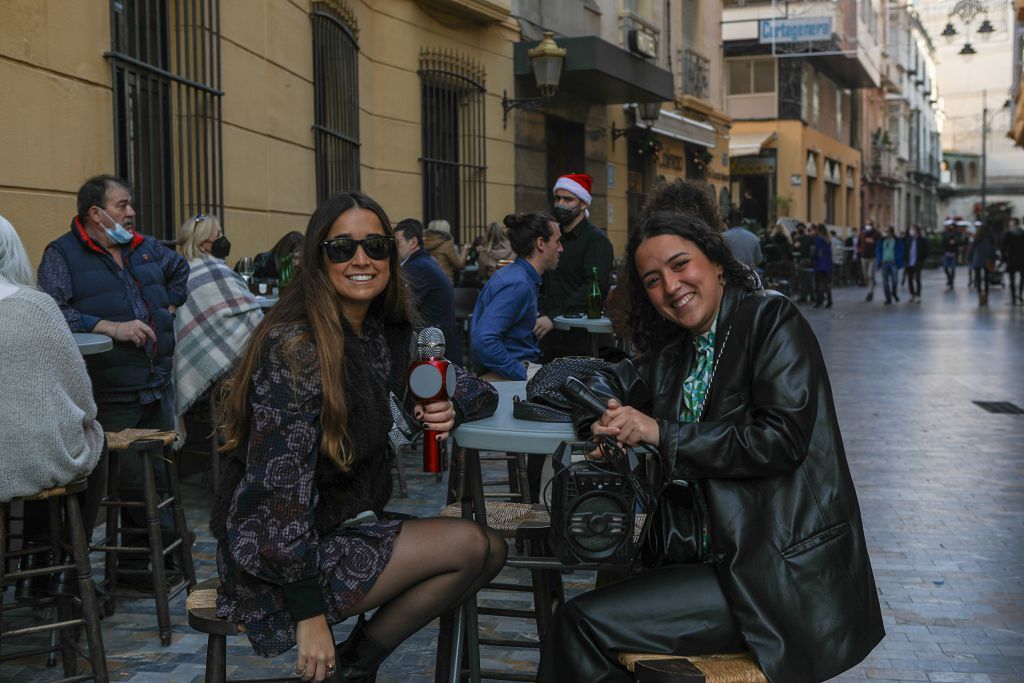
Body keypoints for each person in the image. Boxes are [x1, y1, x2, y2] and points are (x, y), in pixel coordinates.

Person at [537, 210, 884, 683]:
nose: (671, 286)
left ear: (718, 261)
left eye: (681, 265)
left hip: (773, 573)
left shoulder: (769, 317)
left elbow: (780, 440)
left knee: (579, 625)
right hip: (706, 560)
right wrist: (604, 415)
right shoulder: (679, 351)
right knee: (593, 615)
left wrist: (659, 431)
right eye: (653, 280)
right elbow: (595, 378)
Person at [210, 191, 504, 682]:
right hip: (273, 553)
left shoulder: (388, 335)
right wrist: (309, 615)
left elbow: (473, 387)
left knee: (490, 550)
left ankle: (354, 667)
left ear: (393, 254)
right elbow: (279, 494)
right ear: (318, 259)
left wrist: (447, 404)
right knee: (473, 545)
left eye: (375, 246)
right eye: (342, 248)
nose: (361, 259)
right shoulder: (298, 347)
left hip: (345, 524)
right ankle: (354, 665)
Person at [37, 175, 190, 582]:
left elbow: (180, 269)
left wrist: (169, 305)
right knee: (127, 483)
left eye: (130, 204)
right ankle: (118, 571)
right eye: (122, 205)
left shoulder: (142, 247)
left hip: (156, 379)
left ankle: (153, 565)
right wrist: (108, 326)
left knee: (156, 475)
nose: (131, 212)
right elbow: (53, 312)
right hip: (109, 385)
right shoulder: (62, 255)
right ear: (96, 214)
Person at [1, 215, 105, 599]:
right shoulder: (38, 306)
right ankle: (67, 562)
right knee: (89, 438)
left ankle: (36, 559)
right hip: (35, 463)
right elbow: (80, 396)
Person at [173, 214, 264, 437]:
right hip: (231, 376)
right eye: (219, 235)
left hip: (204, 372)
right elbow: (254, 320)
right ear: (204, 243)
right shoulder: (216, 270)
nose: (224, 239)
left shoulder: (181, 272)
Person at [471, 212, 562, 381]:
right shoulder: (518, 284)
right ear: (541, 243)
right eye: (557, 241)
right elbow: (484, 341)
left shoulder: (520, 277)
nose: (561, 248)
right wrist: (522, 374)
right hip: (509, 380)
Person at [537, 173, 615, 360]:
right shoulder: (552, 238)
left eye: (568, 199)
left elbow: (592, 287)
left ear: (584, 204)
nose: (561, 204)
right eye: (558, 198)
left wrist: (553, 316)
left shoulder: (596, 240)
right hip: (550, 337)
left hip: (584, 339)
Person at [394, 218, 461, 364]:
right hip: (438, 340)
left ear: (413, 242)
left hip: (434, 347)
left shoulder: (417, 267)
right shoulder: (421, 262)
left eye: (397, 243)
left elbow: (402, 307)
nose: (394, 248)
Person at [423, 219, 469, 284]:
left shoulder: (423, 242)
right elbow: (459, 265)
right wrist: (465, 250)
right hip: (444, 279)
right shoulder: (447, 243)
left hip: (426, 279)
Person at [971, 224, 996, 307]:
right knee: (986, 278)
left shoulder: (977, 237)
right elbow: (993, 248)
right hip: (987, 259)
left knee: (978, 279)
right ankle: (986, 296)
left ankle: (980, 296)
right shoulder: (990, 237)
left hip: (978, 258)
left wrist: (969, 257)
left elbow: (972, 247)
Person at [877, 225, 904, 305]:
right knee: (885, 282)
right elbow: (878, 251)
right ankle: (888, 298)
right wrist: (880, 259)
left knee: (895, 280)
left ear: (891, 232)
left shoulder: (897, 241)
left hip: (893, 263)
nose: (886, 233)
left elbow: (900, 251)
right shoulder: (881, 241)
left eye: (887, 231)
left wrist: (897, 259)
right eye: (885, 231)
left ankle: (894, 293)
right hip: (884, 263)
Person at [903, 225, 929, 303]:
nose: (911, 231)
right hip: (909, 262)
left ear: (917, 231)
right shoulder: (908, 240)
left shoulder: (922, 240)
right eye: (910, 229)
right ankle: (912, 294)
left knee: (917, 279)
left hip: (918, 262)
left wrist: (922, 260)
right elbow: (905, 250)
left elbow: (926, 250)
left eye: (913, 230)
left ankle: (918, 295)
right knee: (910, 279)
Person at [811, 223, 833, 308]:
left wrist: (812, 259)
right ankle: (829, 300)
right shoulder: (828, 240)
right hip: (828, 265)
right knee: (826, 283)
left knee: (819, 283)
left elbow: (816, 251)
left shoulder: (819, 239)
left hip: (820, 264)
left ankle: (819, 301)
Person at [1002, 217, 1024, 304]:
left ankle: (1013, 297)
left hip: (1012, 258)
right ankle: (1020, 295)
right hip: (1022, 258)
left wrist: (1004, 258)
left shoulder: (1008, 234)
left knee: (1012, 278)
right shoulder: (1023, 233)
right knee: (1022, 278)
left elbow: (1004, 247)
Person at [859, 220, 880, 302]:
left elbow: (879, 240)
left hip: (872, 257)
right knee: (866, 276)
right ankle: (869, 288)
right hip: (864, 257)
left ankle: (870, 292)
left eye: (870, 224)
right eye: (867, 224)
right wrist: (859, 252)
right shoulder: (862, 233)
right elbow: (859, 243)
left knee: (871, 275)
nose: (868, 226)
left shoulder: (876, 234)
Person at [941, 222, 960, 289]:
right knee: (945, 268)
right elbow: (943, 242)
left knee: (953, 269)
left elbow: (958, 242)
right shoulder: (946, 234)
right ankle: (949, 279)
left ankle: (951, 282)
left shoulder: (957, 234)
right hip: (947, 253)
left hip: (953, 254)